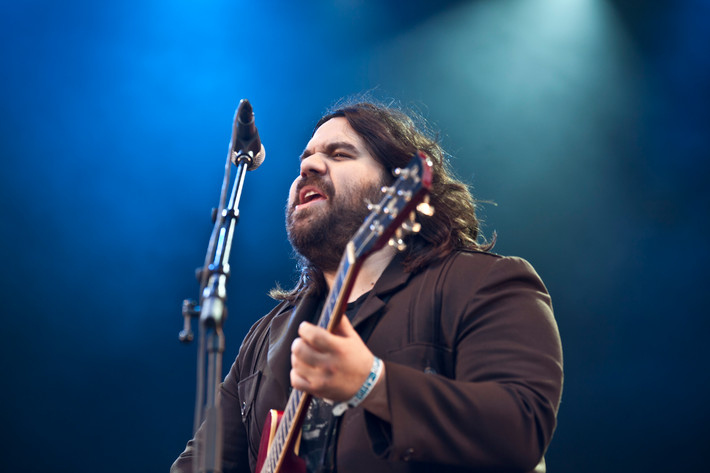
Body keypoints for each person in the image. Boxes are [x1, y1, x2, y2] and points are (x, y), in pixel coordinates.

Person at [172, 100, 563, 473]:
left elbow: (521, 427)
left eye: (339, 154)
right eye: (305, 159)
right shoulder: (264, 340)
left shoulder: (482, 284)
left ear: (393, 190)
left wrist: (372, 383)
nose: (309, 166)